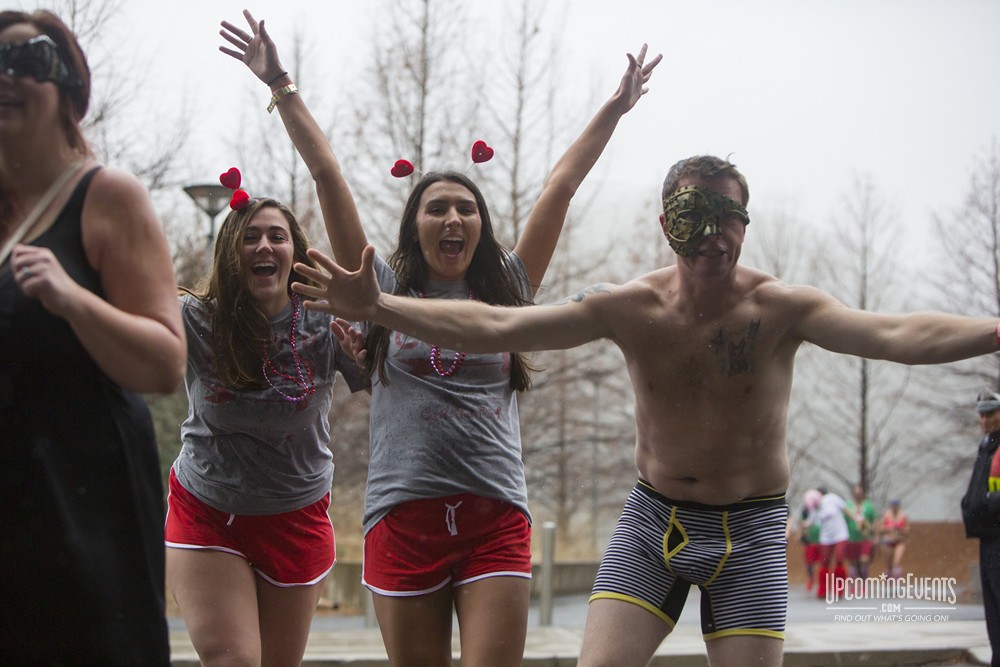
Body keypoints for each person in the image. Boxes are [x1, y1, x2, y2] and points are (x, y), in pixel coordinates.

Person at [292, 154, 1000, 666]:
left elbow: (900, 334)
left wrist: (996, 330)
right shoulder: (629, 306)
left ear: (745, 225)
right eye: (699, 218)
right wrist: (380, 306)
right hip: (653, 520)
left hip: (750, 530)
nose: (717, 237)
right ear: (668, 224)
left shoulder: (782, 308)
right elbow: (499, 327)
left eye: (732, 218)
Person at [219, 10, 660, 666]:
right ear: (414, 224)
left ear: (480, 224)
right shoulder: (380, 289)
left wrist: (615, 108)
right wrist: (280, 82)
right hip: (404, 512)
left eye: (466, 207)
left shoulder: (508, 286)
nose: (454, 217)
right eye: (437, 207)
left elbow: (561, 186)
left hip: (495, 511)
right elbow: (329, 176)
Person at [0, 10, 186, 665]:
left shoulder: (105, 196)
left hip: (83, 508)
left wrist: (73, 299)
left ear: (70, 88)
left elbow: (167, 362)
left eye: (28, 60)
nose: (6, 77)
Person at [163, 180, 368, 663]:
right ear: (232, 254)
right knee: (233, 659)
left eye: (277, 236)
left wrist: (368, 360)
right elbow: (132, 341)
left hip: (295, 514)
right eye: (250, 236)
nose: (264, 246)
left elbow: (392, 390)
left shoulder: (326, 320)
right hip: (208, 510)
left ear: (295, 252)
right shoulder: (196, 319)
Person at [961, 390, 1000, 665]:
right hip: (987, 538)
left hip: (998, 536)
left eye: (991, 414)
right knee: (993, 613)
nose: (985, 420)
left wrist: (987, 504)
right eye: (982, 415)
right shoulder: (987, 445)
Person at [810, 486, 850, 599]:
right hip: (826, 537)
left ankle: (839, 589)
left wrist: (857, 519)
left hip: (840, 534)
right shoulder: (815, 506)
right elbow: (811, 522)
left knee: (839, 560)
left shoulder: (832, 498)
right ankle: (823, 589)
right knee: (825, 562)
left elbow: (845, 509)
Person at [845, 483, 877, 580]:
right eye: (856, 493)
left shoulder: (869, 506)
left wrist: (875, 535)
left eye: (860, 493)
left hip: (865, 538)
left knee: (864, 560)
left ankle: (863, 581)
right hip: (852, 538)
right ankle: (854, 583)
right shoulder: (848, 506)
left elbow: (874, 521)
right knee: (853, 562)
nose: (858, 494)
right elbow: (844, 521)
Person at [798, 489, 823, 592]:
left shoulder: (824, 508)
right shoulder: (808, 510)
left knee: (823, 562)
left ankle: (823, 582)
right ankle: (811, 579)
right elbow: (806, 522)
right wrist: (802, 531)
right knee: (809, 562)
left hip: (822, 540)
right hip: (811, 540)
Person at [878, 498, 909, 579]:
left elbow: (907, 530)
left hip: (899, 540)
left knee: (896, 563)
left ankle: (896, 580)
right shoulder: (886, 515)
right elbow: (880, 528)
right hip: (888, 541)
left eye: (896, 506)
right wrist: (889, 528)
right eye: (893, 506)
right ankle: (889, 579)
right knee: (889, 565)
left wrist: (899, 529)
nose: (894, 507)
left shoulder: (903, 516)